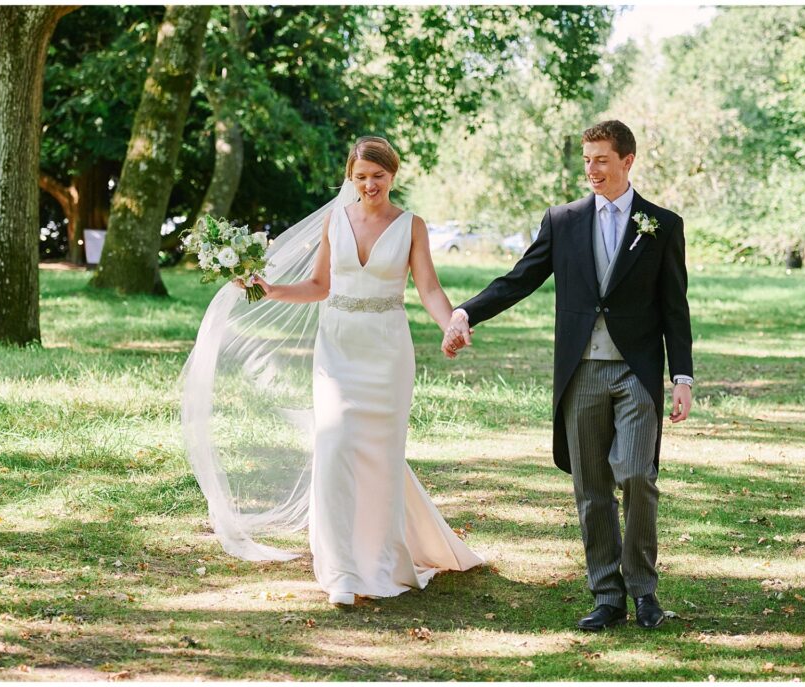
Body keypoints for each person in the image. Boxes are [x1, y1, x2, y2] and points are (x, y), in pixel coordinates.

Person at [442, 120, 693, 631]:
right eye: (586, 159)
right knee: (591, 486)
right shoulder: (563, 220)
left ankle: (645, 592)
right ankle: (607, 595)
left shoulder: (662, 225)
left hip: (636, 373)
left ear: (627, 161)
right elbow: (521, 278)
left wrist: (682, 376)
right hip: (579, 372)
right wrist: (468, 312)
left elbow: (675, 307)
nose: (592, 169)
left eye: (602, 159)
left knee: (638, 477)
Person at [230, 136, 483, 605]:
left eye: (378, 177)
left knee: (380, 457)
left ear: (393, 176)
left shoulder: (412, 226)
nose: (369, 185)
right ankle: (342, 570)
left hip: (387, 352)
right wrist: (270, 289)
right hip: (338, 348)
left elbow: (428, 288)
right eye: (361, 177)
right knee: (337, 442)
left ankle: (380, 562)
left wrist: (451, 322)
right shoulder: (335, 220)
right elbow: (319, 285)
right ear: (351, 177)